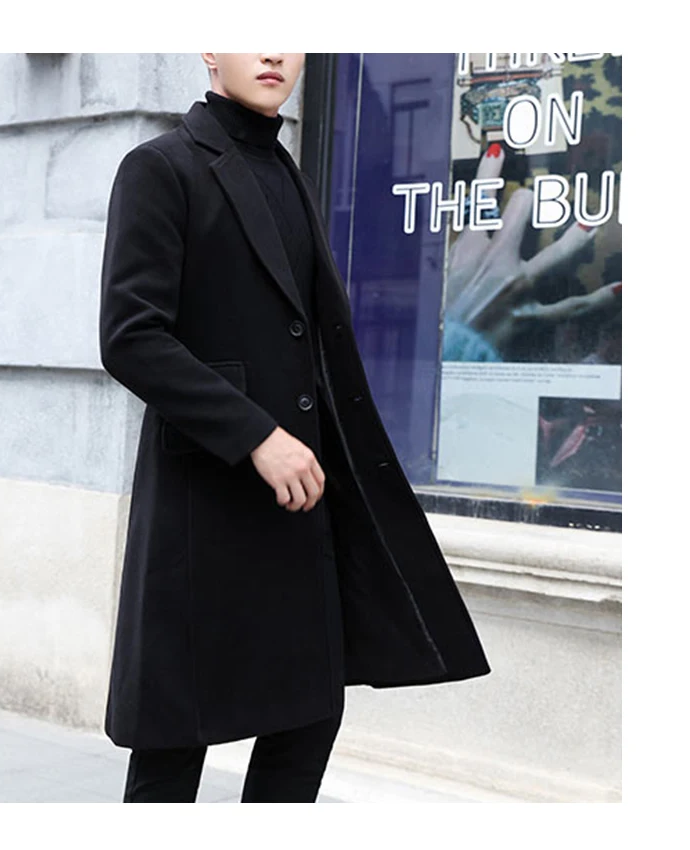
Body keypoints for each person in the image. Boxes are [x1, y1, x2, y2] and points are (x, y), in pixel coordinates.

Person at [99, 53, 490, 804]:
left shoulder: (288, 173)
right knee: (173, 745)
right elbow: (131, 336)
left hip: (301, 513)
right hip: (206, 509)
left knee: (309, 719)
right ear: (209, 46)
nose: (274, 52)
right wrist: (256, 434)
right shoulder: (160, 167)